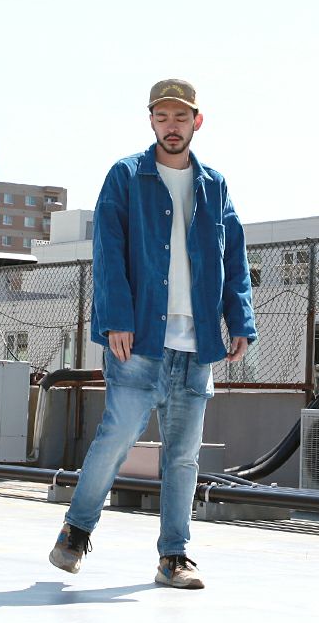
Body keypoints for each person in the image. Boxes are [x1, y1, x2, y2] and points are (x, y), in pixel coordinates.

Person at [49, 78, 257, 589]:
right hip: (139, 339)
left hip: (197, 345)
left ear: (197, 122)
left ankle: (174, 556)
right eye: (162, 118)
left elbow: (235, 258)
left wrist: (240, 321)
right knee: (117, 435)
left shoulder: (214, 185)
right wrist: (116, 319)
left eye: (180, 117)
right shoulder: (126, 176)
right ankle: (76, 530)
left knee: (183, 456)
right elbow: (108, 252)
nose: (171, 127)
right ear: (151, 122)